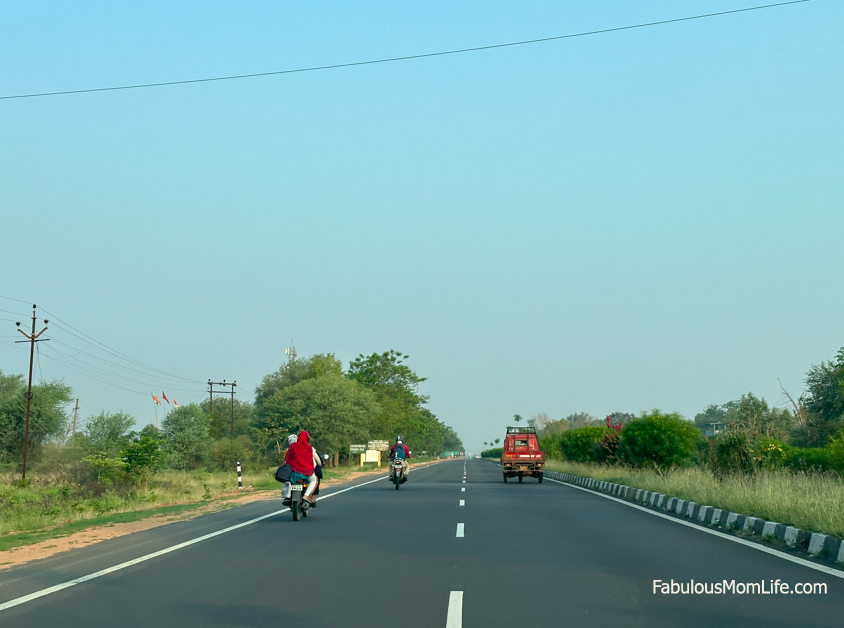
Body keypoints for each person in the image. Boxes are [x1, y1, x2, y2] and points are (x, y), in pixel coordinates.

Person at [285, 430, 322, 504]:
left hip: (294, 471)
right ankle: (306, 496)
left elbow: (287, 458)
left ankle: (287, 495)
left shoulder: (292, 446)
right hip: (306, 472)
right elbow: (317, 460)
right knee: (314, 480)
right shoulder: (310, 448)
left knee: (287, 480)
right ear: (307, 439)